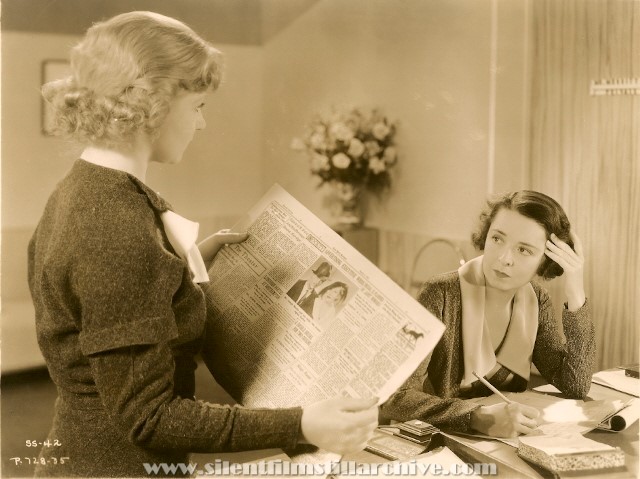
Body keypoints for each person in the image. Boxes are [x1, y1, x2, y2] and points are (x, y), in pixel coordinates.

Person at [28, 12, 377, 477]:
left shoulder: (86, 188)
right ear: (153, 103)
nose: (201, 125)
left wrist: (179, 266)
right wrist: (303, 424)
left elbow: (98, 305)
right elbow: (149, 417)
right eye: (197, 107)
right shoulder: (114, 222)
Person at [381, 190, 595, 438]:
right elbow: (395, 397)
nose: (504, 259)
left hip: (504, 445)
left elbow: (575, 384)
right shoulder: (440, 293)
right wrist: (476, 417)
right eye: (497, 239)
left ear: (545, 261)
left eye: (524, 250)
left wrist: (576, 290)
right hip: (440, 444)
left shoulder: (536, 300)